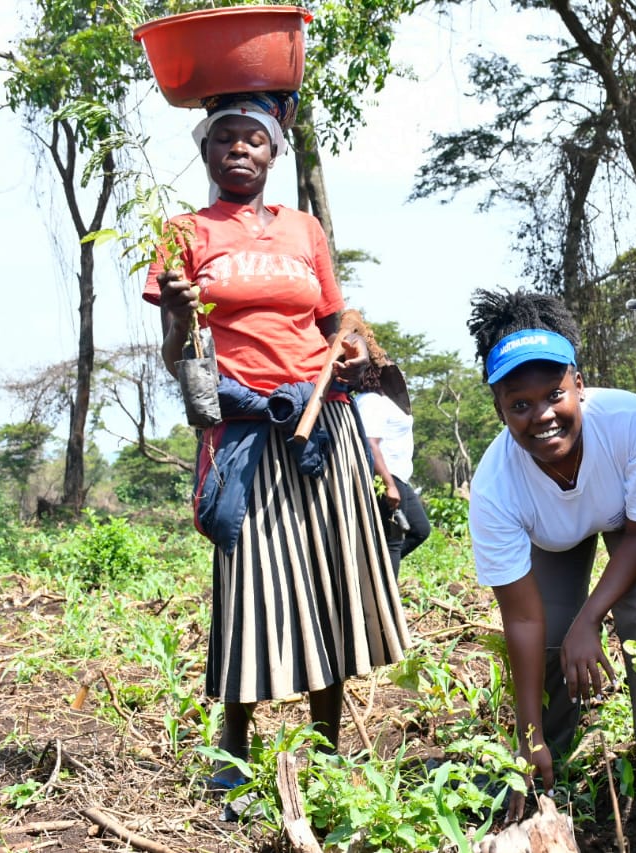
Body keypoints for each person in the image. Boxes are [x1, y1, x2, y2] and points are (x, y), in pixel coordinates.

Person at [144, 92, 410, 791]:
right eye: (224, 138)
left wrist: (354, 357)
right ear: (205, 152)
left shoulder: (305, 231)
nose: (239, 149)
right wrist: (176, 315)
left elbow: (335, 328)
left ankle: (325, 747)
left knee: (330, 576)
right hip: (244, 427)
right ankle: (234, 748)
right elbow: (178, 355)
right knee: (249, 586)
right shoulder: (182, 232)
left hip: (323, 421)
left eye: (254, 140)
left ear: (274, 152)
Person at [466, 288, 636, 811]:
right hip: (556, 535)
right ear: (500, 409)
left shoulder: (630, 422)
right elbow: (521, 621)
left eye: (554, 394)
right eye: (519, 405)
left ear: (580, 384)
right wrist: (528, 733)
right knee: (547, 630)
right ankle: (543, 755)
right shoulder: (495, 487)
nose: (541, 415)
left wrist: (590, 620)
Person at [355, 342, 431, 574]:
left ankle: (374, 574)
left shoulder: (384, 401)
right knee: (392, 542)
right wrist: (389, 485)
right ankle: (386, 600)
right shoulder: (370, 401)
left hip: (399, 477)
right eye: (386, 367)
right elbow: (370, 444)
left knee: (420, 529)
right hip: (386, 477)